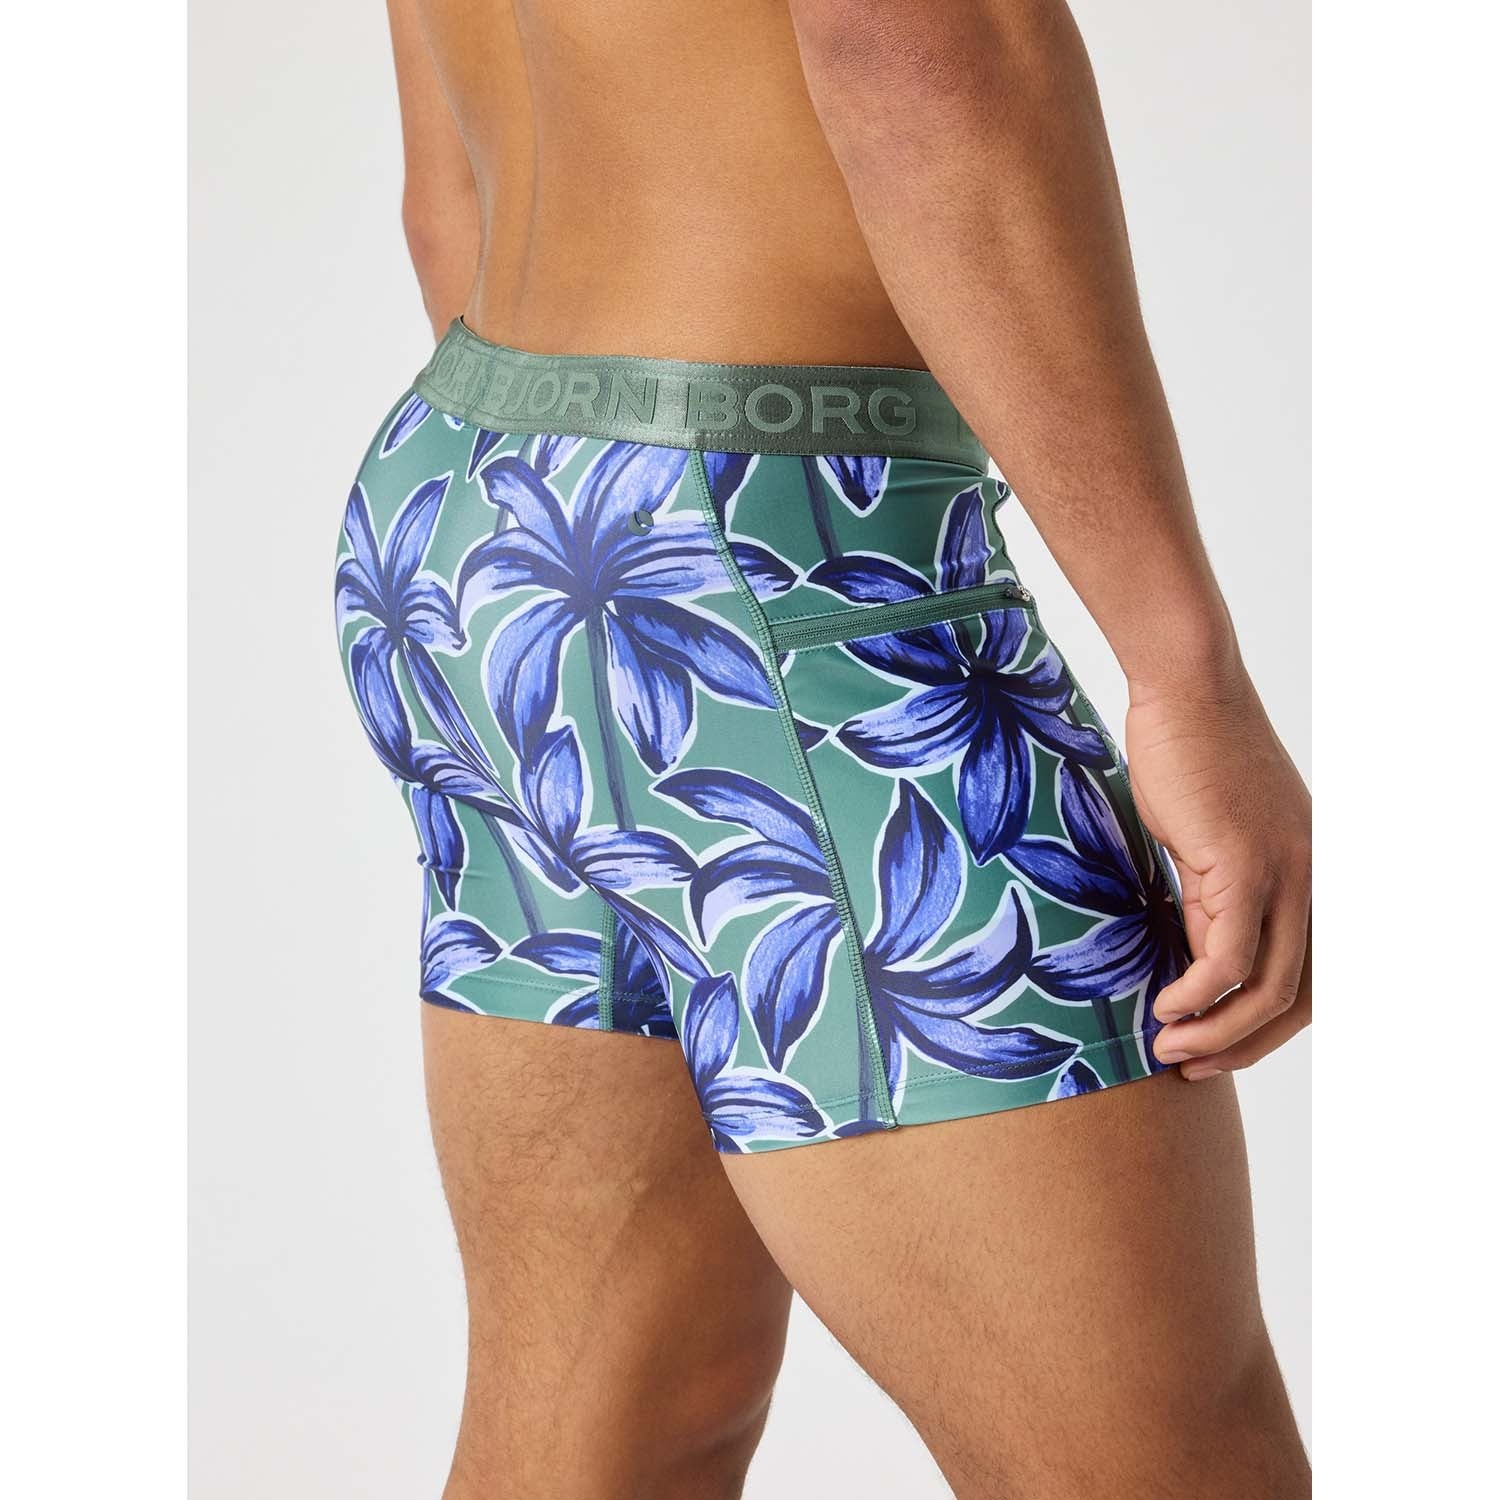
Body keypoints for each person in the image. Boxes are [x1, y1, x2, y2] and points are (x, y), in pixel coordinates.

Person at [333, 1, 1311, 1494]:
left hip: (479, 512)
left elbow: (442, 193)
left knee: (624, 1424)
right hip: (777, 557)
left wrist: (590, 556)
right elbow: (909, 35)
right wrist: (1188, 675)